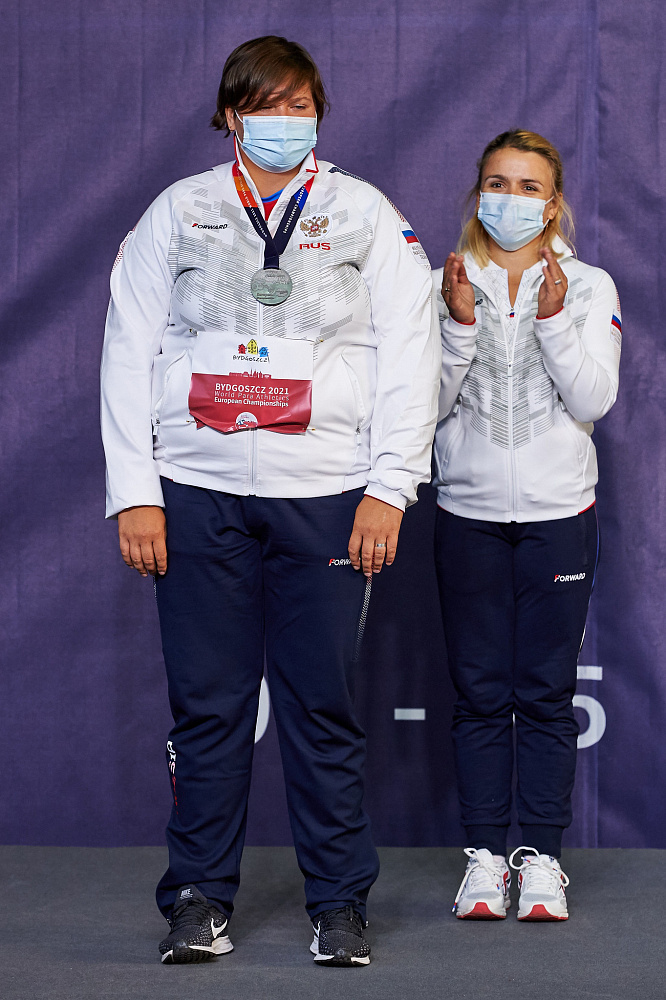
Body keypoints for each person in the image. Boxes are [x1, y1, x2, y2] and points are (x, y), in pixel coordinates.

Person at [101, 35, 439, 966]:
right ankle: (198, 898)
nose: (285, 120)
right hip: (195, 489)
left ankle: (339, 903)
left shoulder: (364, 213)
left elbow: (412, 354)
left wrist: (389, 487)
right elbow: (127, 348)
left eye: (301, 104)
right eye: (265, 104)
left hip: (324, 493)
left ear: (320, 112)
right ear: (230, 114)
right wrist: (136, 492)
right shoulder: (181, 210)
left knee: (320, 707)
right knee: (206, 708)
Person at [432, 130, 620, 921]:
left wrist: (551, 320)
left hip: (558, 518)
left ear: (553, 202)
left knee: (544, 694)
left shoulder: (589, 285)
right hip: (466, 515)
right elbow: (424, 408)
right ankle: (483, 859)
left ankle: (540, 859)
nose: (510, 199)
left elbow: (594, 400)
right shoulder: (444, 281)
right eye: (497, 183)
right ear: (478, 191)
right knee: (479, 693)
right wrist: (457, 327)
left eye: (528, 186)